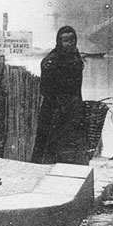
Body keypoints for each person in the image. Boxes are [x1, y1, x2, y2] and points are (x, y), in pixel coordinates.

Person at [31, 25, 88, 165]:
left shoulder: (76, 58)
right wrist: (60, 103)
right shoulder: (51, 61)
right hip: (54, 111)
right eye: (66, 41)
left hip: (73, 109)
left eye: (72, 40)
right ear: (59, 42)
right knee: (50, 145)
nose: (70, 44)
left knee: (73, 145)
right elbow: (45, 89)